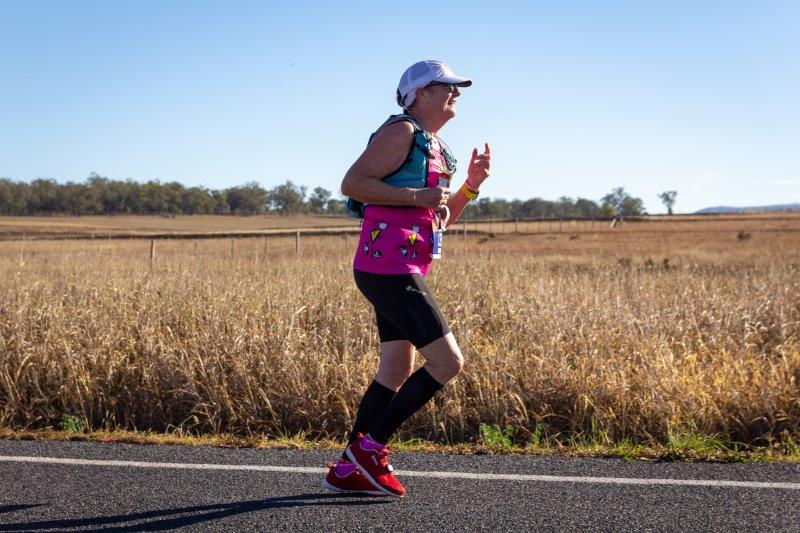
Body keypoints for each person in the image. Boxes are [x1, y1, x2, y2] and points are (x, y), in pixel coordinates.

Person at [322, 59, 491, 498]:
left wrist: (470, 186)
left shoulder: (436, 147)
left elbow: (438, 219)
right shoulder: (402, 131)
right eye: (446, 86)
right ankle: (369, 451)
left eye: (456, 87)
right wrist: (417, 195)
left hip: (400, 266)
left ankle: (349, 468)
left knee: (396, 369)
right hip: (388, 268)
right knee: (448, 362)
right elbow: (352, 183)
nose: (456, 93)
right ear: (420, 93)